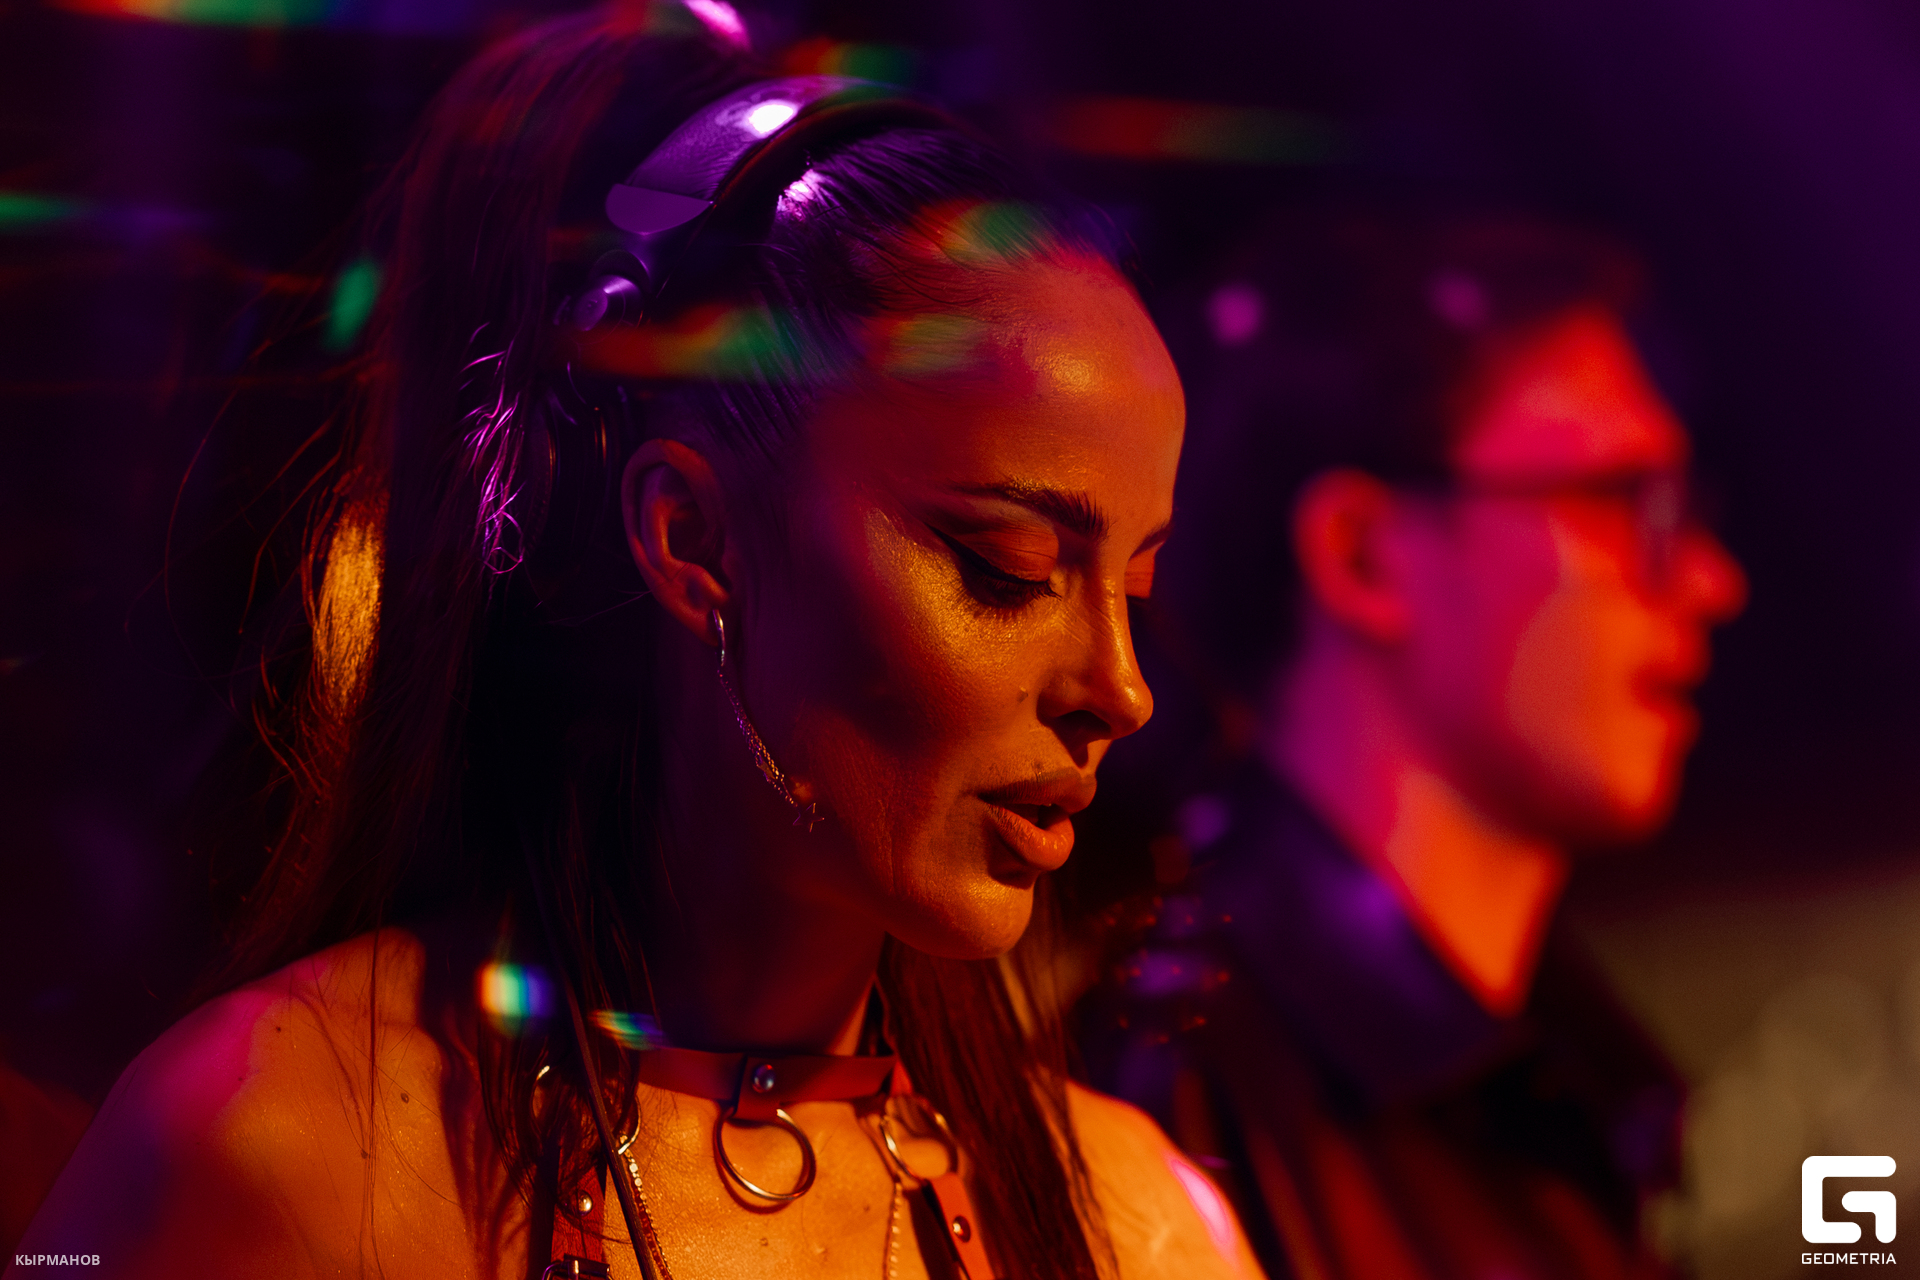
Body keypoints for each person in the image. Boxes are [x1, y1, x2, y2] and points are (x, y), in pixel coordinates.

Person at [18, 9, 1260, 1279]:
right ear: (691, 537)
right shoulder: (279, 1160)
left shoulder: (1146, 1227)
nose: (1121, 689)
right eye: (1011, 569)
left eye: (1137, 585)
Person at [1079, 212, 1747, 1280]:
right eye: (1626, 500)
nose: (1711, 582)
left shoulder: (1578, 1079)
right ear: (1363, 554)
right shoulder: (1178, 1096)